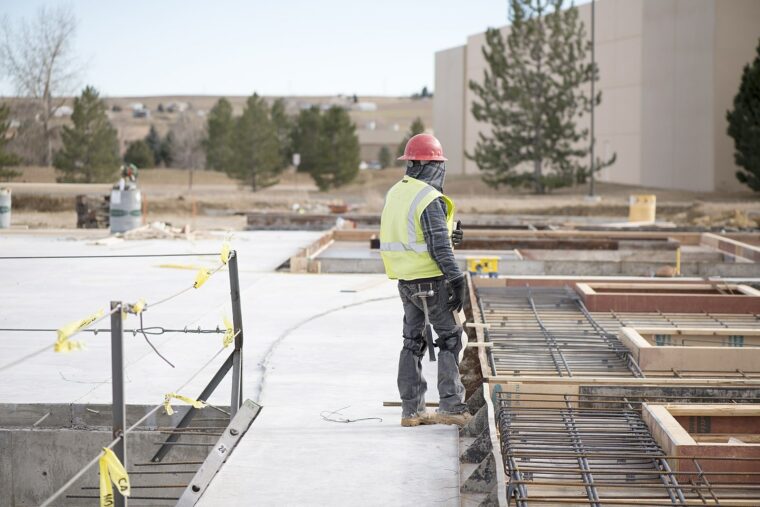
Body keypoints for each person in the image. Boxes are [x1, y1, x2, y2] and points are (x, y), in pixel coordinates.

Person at [379, 133, 471, 427]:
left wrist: (449, 233)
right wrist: (456, 278)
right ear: (434, 166)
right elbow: (437, 246)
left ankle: (412, 411)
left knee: (412, 341)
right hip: (431, 281)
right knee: (451, 339)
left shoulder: (396, 192)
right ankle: (451, 407)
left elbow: (415, 234)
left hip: (405, 281)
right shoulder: (429, 197)